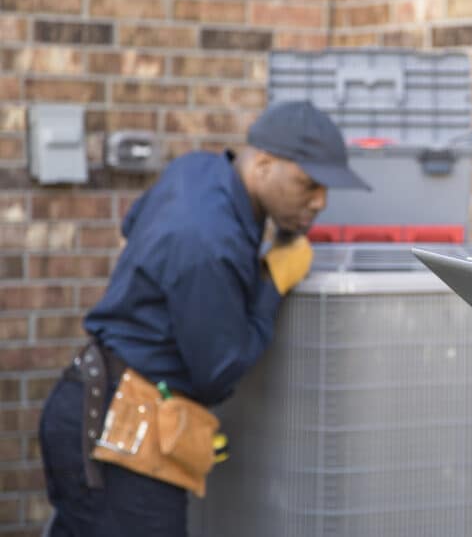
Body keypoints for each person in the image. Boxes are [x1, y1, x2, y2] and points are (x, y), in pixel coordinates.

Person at [38, 100, 370, 537]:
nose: (320, 201)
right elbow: (219, 371)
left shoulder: (195, 170)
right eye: (308, 185)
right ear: (265, 163)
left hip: (94, 408)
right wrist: (272, 282)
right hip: (120, 438)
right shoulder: (208, 240)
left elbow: (131, 224)